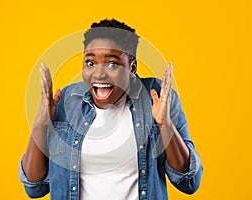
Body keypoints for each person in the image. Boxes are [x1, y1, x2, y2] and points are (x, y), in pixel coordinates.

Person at [19, 19, 203, 200]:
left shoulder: (157, 96)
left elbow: (189, 182)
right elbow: (34, 187)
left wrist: (165, 125)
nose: (99, 74)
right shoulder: (67, 101)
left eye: (112, 64)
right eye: (90, 63)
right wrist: (41, 125)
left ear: (132, 67)